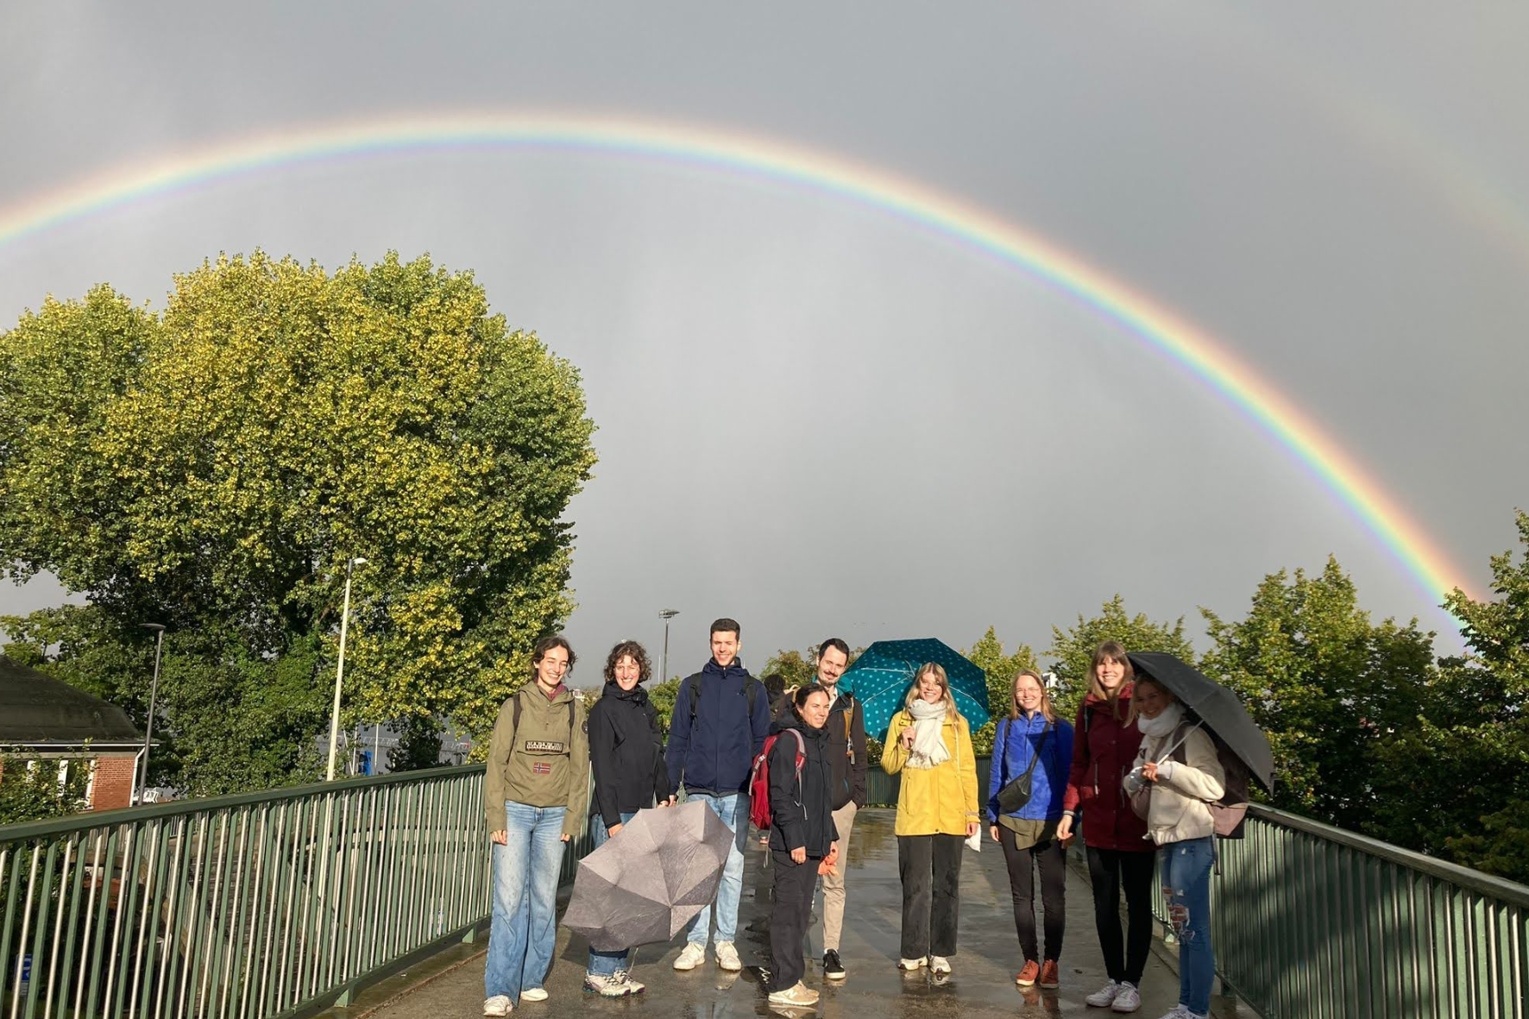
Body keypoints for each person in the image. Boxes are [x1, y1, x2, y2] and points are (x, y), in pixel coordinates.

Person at [483, 636, 589, 1017]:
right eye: (550, 660)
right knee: (509, 902)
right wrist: (496, 816)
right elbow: (496, 763)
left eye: (563, 663)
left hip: (554, 816)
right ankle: (499, 988)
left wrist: (572, 816)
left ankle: (531, 980)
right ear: (536, 662)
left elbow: (580, 769)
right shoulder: (513, 706)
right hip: (514, 811)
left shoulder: (574, 710)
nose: (556, 667)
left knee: (544, 902)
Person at [665, 617, 771, 972]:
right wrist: (669, 785)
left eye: (728, 642)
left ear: (739, 644)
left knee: (732, 869)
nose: (722, 648)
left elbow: (762, 745)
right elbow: (678, 738)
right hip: (698, 792)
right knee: (698, 871)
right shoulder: (692, 687)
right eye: (716, 642)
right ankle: (695, 943)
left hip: (737, 793)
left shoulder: (754, 690)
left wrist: (761, 793)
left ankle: (724, 940)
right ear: (710, 644)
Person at [1057, 641, 1152, 1014]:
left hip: (1136, 820)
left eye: (1114, 663)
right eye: (1101, 664)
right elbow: (1079, 763)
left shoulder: (1142, 704)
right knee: (1104, 906)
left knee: (1139, 903)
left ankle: (1133, 983)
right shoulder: (1088, 709)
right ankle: (1114, 979)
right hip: (1097, 821)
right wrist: (1070, 811)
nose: (1107, 669)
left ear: (1126, 668)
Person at [1128, 676, 1225, 1019]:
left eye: (1154, 696)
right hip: (1166, 842)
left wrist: (1170, 770)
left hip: (1191, 841)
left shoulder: (1190, 734)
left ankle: (1197, 1009)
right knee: (1183, 929)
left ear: (1169, 696)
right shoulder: (1152, 737)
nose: (1147, 704)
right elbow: (1140, 783)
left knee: (1194, 930)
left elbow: (1214, 786)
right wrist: (1136, 779)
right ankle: (1185, 1005)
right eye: (1140, 699)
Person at [583, 640, 675, 997]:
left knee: (629, 897)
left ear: (641, 670)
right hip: (614, 813)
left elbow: (657, 757)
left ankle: (617, 969)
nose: (626, 672)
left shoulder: (646, 708)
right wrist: (610, 820)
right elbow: (602, 769)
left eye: (632, 666)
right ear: (612, 670)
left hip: (639, 811)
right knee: (609, 894)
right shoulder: (603, 710)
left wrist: (665, 793)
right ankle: (598, 971)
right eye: (620, 666)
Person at [880, 662, 979, 976]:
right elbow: (888, 766)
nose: (931, 688)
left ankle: (940, 952)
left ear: (944, 687)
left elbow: (967, 770)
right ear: (918, 686)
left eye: (937, 683)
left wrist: (972, 812)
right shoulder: (901, 720)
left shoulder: (957, 724)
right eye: (926, 682)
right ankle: (912, 951)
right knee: (916, 886)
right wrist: (902, 743)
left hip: (951, 814)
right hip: (914, 816)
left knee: (947, 887)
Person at [988, 668, 1075, 991]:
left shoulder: (1060, 728)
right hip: (1012, 820)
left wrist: (1072, 820)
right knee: (1021, 896)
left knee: (1054, 898)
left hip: (1051, 822)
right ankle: (1031, 959)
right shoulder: (1006, 727)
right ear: (1015, 695)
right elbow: (997, 770)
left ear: (1042, 691)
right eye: (1021, 690)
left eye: (1032, 688)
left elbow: (1070, 776)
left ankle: (1052, 961)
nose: (1026, 694)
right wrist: (993, 815)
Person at [766, 684, 840, 1008]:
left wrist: (829, 838)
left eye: (826, 706)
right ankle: (783, 983)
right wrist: (795, 838)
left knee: (799, 914)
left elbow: (820, 799)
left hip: (812, 842)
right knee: (787, 914)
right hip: (792, 844)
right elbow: (779, 795)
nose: (822, 711)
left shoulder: (819, 742)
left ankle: (792, 978)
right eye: (815, 705)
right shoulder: (789, 740)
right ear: (799, 707)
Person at [813, 637, 867, 981]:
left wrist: (856, 798)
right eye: (828, 661)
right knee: (801, 879)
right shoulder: (800, 698)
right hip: (805, 805)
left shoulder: (850, 706)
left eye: (839, 665)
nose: (832, 669)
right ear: (818, 659)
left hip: (839, 805)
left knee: (834, 880)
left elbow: (860, 755)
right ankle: (789, 949)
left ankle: (831, 950)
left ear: (844, 668)